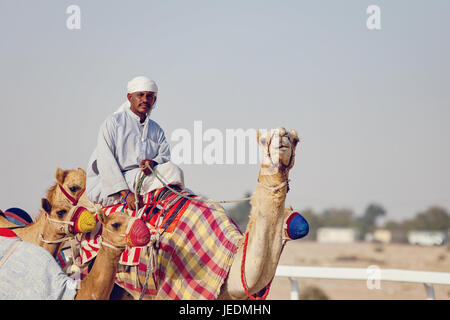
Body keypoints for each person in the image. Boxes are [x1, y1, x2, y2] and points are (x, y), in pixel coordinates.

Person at [86, 76, 171, 210]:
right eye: (140, 95)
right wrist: (126, 194)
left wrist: (153, 162)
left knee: (173, 173)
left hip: (141, 178)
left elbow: (165, 156)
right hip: (111, 186)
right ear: (129, 97)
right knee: (170, 173)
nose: (145, 100)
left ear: (154, 100)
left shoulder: (156, 129)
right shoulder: (114, 122)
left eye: (149, 96)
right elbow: (105, 161)